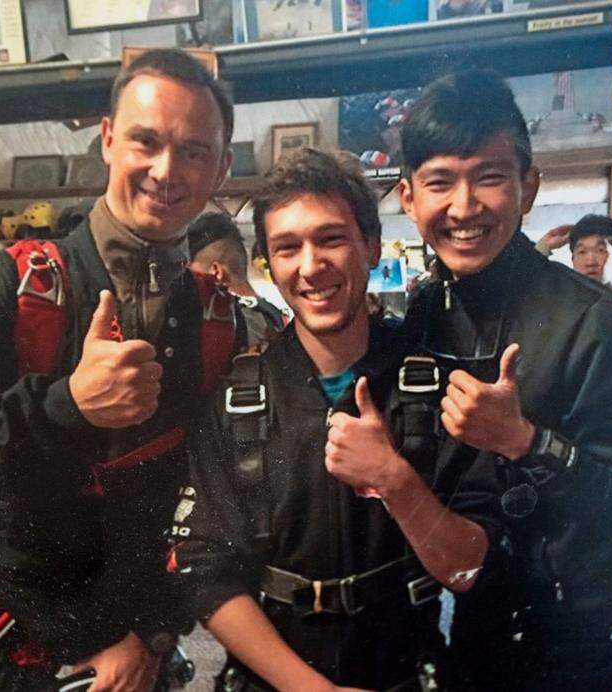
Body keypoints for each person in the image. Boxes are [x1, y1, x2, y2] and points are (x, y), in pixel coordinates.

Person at [0, 49, 237, 691]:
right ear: (107, 139)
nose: (165, 171)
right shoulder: (6, 283)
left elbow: (210, 505)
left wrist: (148, 636)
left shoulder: (221, 320)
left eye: (194, 152)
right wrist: (67, 404)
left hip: (146, 650)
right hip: (14, 647)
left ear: (222, 169)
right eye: (145, 142)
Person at [172, 149, 500, 691]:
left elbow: (468, 570)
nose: (310, 266)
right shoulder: (234, 400)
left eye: (331, 239)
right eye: (287, 247)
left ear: (371, 246)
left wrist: (396, 481)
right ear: (266, 265)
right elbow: (207, 577)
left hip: (405, 673)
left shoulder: (440, 389)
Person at [397, 69, 612, 691]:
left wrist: (526, 442)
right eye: (440, 182)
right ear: (408, 198)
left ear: (528, 185)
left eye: (488, 177)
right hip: (472, 624)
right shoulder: (422, 312)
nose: (463, 208)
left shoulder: (597, 317)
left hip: (580, 636)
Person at [187, 211, 286, 345]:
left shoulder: (224, 326)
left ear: (216, 272)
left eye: (192, 274)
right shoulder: (274, 315)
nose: (188, 282)